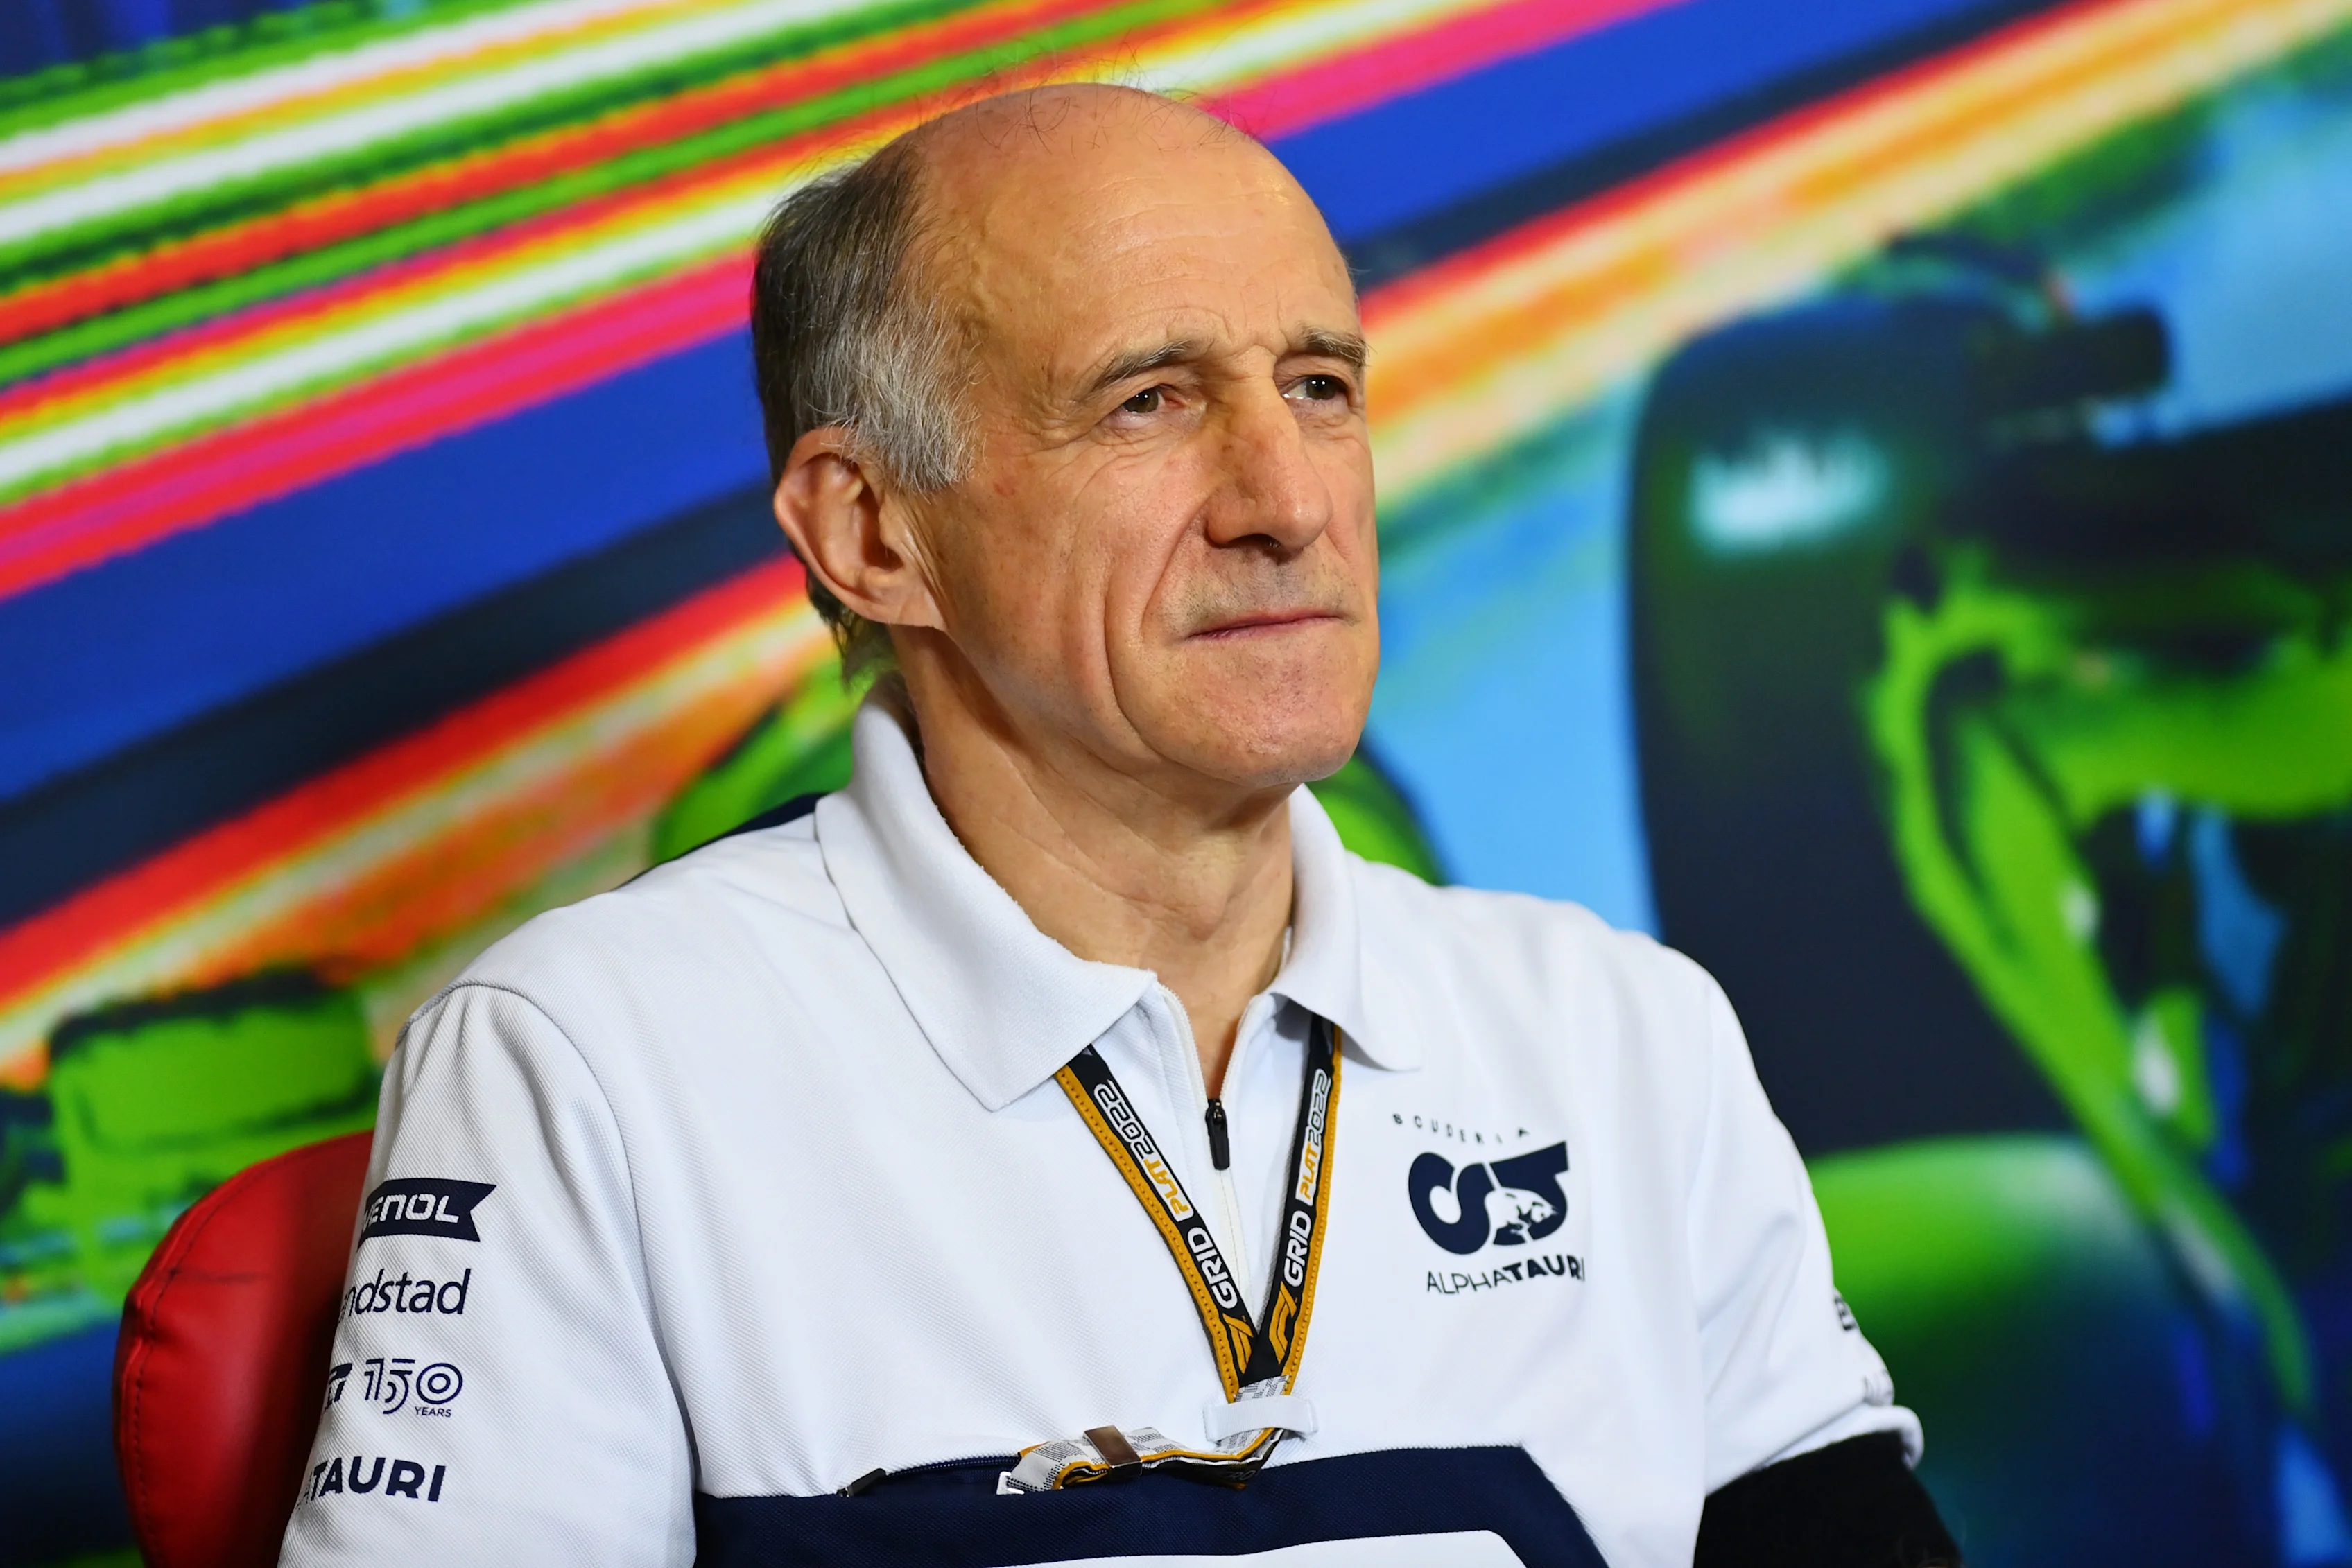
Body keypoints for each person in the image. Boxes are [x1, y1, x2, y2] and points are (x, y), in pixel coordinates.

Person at [281, 85, 1955, 1568]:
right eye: (1148, 401)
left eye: (1319, 384)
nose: (1287, 501)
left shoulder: (1619, 1035)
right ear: (870, 535)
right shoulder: (584, 1061)